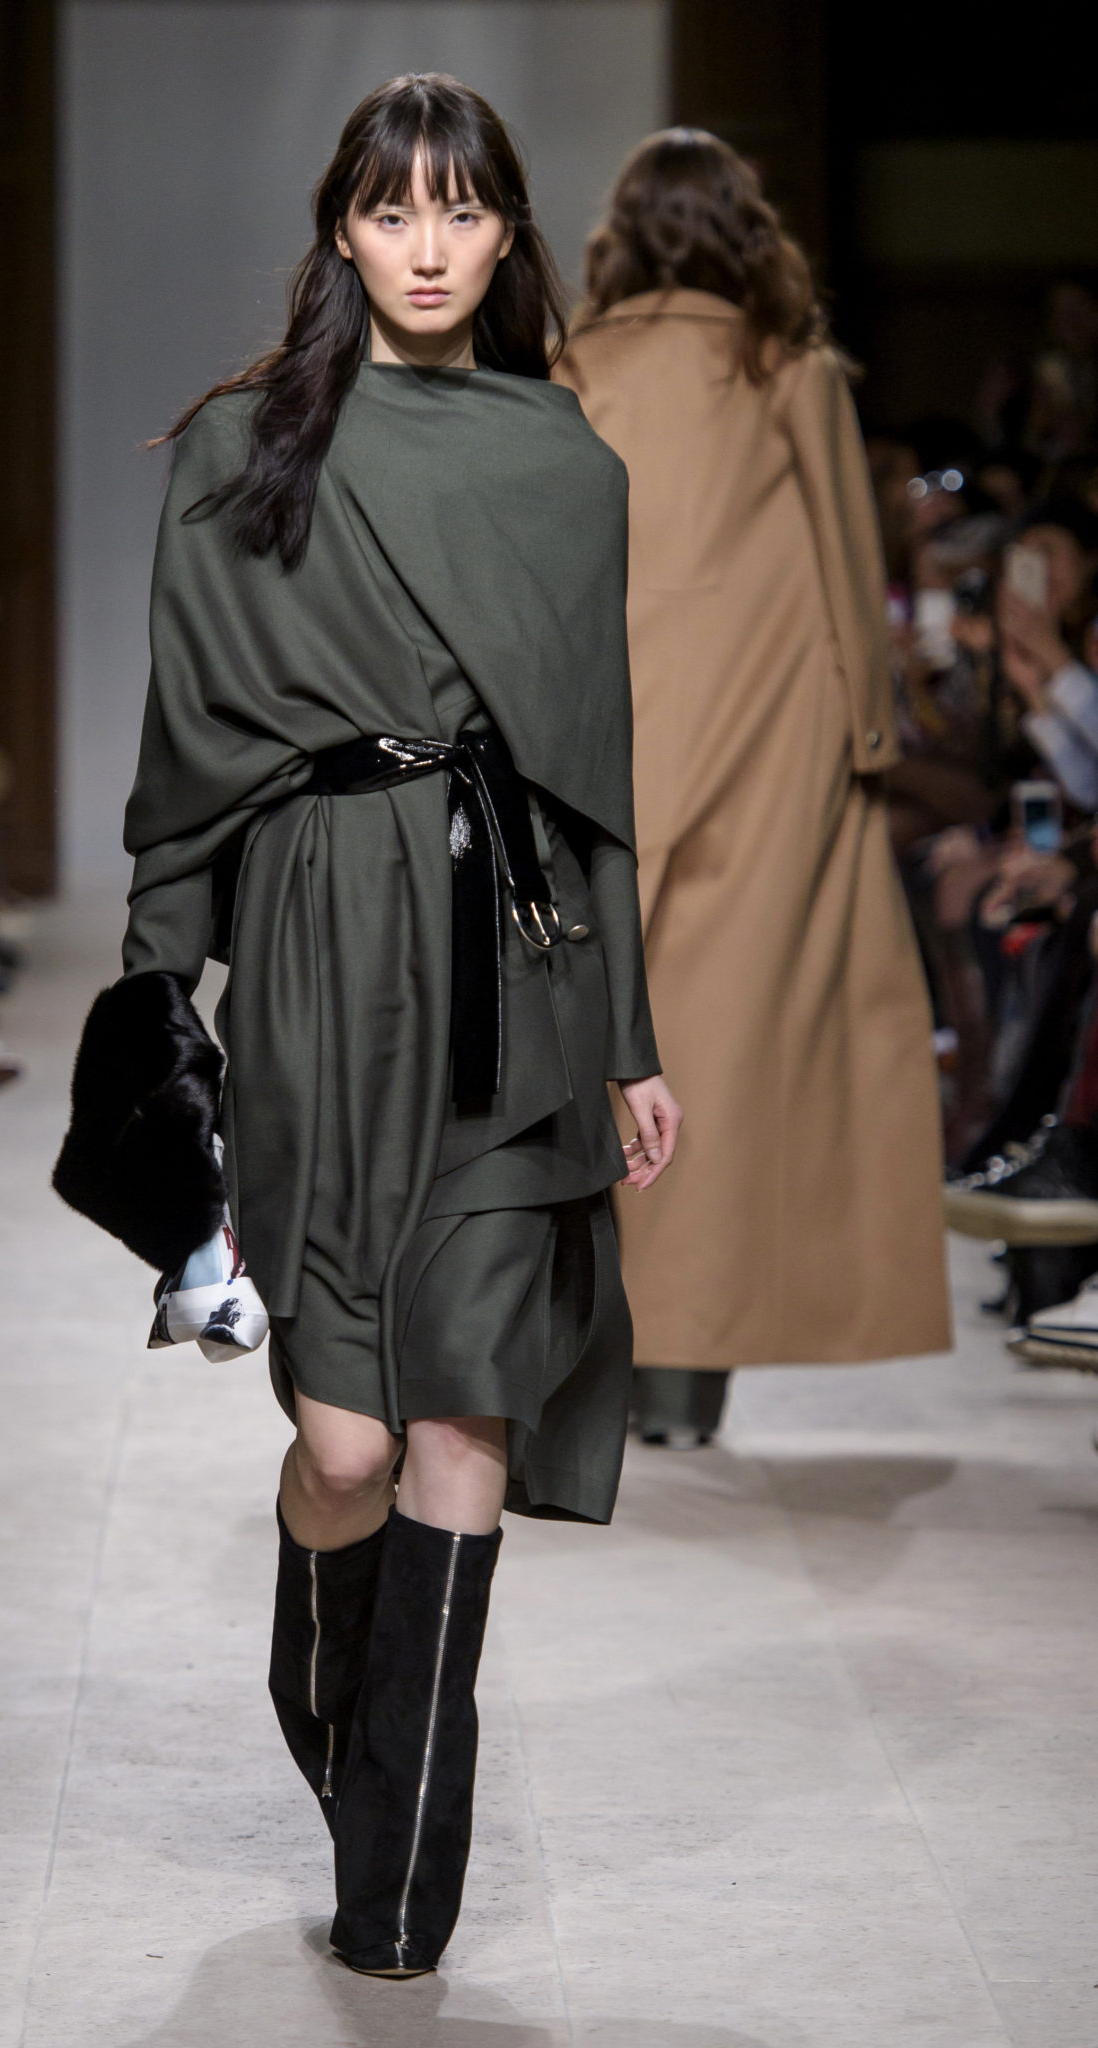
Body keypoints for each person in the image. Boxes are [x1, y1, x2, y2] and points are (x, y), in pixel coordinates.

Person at [106, 77, 680, 1976]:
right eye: (390, 211)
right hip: (317, 955)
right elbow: (191, 754)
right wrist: (155, 1004)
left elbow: (595, 775)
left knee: (463, 1406)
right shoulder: (243, 449)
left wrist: (632, 1033)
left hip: (516, 959)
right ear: (340, 230)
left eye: (461, 211)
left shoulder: (567, 466)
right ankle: (347, 1736)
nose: (427, 249)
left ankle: (396, 1895)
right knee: (345, 1445)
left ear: (510, 232)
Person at [555, 129, 950, 1443]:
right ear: (743, 225)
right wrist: (871, 747)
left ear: (624, 231)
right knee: (727, 1052)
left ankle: (598, 1357)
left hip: (610, 736)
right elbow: (848, 559)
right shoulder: (789, 366)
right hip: (768, 744)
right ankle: (685, 1379)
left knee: (603, 1044)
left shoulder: (577, 364)